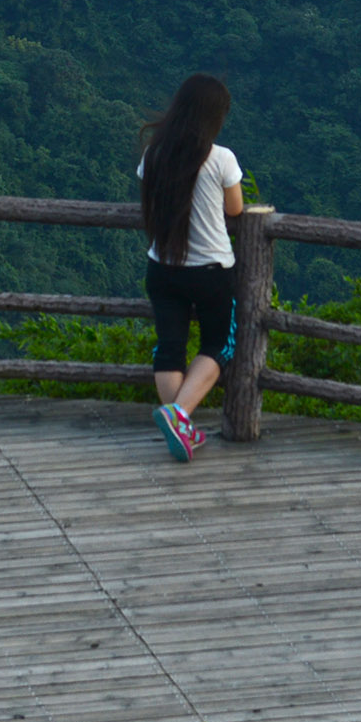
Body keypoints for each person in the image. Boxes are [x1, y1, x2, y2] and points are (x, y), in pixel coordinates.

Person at [135, 74, 245, 462]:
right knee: (218, 344)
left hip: (162, 268)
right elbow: (235, 209)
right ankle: (178, 416)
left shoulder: (154, 154)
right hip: (210, 272)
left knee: (170, 349)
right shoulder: (220, 158)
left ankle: (179, 429)